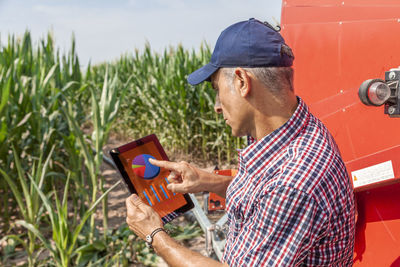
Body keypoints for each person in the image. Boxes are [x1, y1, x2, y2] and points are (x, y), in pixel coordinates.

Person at [125, 18, 356, 266]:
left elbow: (279, 194)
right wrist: (206, 181)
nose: (216, 106)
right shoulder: (299, 131)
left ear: (242, 81)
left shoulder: (293, 184)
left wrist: (154, 235)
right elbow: (260, 194)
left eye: (217, 89)